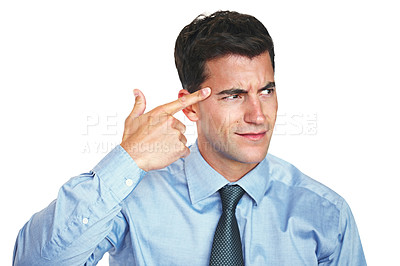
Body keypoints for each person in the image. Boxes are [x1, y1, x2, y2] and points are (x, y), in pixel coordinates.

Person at [13, 10, 366, 265]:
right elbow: (34, 262)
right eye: (234, 95)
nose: (258, 115)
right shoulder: (131, 197)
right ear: (191, 107)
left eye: (267, 91)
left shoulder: (325, 213)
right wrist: (128, 159)